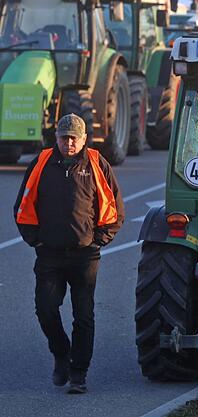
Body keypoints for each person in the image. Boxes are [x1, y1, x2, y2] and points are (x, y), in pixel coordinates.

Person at [14, 114, 125, 394]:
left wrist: (99, 240)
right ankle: (61, 353)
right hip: (49, 254)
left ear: (85, 138)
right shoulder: (41, 163)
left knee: (83, 316)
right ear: (57, 138)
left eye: (75, 137)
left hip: (85, 256)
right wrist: (35, 241)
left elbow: (115, 210)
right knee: (45, 309)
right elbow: (23, 205)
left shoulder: (98, 164)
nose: (70, 142)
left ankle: (79, 373)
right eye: (64, 137)